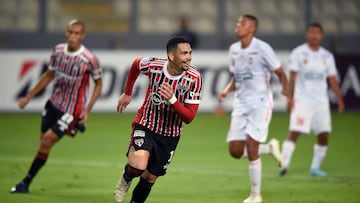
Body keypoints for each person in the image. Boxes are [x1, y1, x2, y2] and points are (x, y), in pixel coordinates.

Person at [10, 19, 103, 193]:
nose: (73, 36)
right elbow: (49, 75)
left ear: (83, 36)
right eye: (70, 32)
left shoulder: (89, 59)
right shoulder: (58, 51)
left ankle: (25, 183)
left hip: (71, 109)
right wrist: (28, 97)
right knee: (42, 144)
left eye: (77, 33)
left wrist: (87, 110)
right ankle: (72, 128)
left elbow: (98, 84)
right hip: (52, 104)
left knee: (46, 142)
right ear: (66, 32)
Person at [113, 36, 202, 203]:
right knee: (138, 166)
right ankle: (126, 179)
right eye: (184, 53)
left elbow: (189, 117)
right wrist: (127, 92)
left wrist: (173, 100)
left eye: (190, 53)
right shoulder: (154, 66)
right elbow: (136, 64)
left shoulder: (194, 79)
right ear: (171, 56)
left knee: (150, 177)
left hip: (170, 134)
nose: (189, 57)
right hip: (146, 123)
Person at [218, 15, 289, 203]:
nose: (238, 25)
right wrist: (226, 91)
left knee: (251, 148)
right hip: (240, 103)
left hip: (260, 102)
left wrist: (286, 90)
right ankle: (270, 148)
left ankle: (256, 195)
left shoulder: (262, 48)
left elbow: (280, 71)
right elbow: (236, 78)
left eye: (242, 23)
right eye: (238, 22)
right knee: (235, 151)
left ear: (251, 29)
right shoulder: (233, 50)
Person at [279, 22, 345, 177]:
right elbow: (293, 78)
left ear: (321, 36)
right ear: (307, 35)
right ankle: (284, 164)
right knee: (295, 131)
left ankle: (315, 168)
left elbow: (332, 79)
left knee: (324, 134)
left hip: (321, 101)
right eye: (311, 32)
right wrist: (290, 97)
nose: (314, 35)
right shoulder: (298, 53)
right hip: (302, 100)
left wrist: (340, 99)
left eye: (317, 32)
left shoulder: (327, 56)